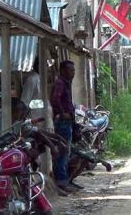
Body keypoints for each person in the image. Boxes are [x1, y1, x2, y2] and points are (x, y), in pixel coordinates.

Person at [50, 60, 77, 194]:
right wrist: (63, 113)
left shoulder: (66, 83)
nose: (73, 73)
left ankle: (64, 180)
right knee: (63, 151)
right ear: (62, 70)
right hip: (62, 122)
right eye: (70, 70)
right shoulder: (60, 83)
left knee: (65, 151)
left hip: (66, 121)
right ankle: (61, 182)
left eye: (73, 70)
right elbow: (55, 99)